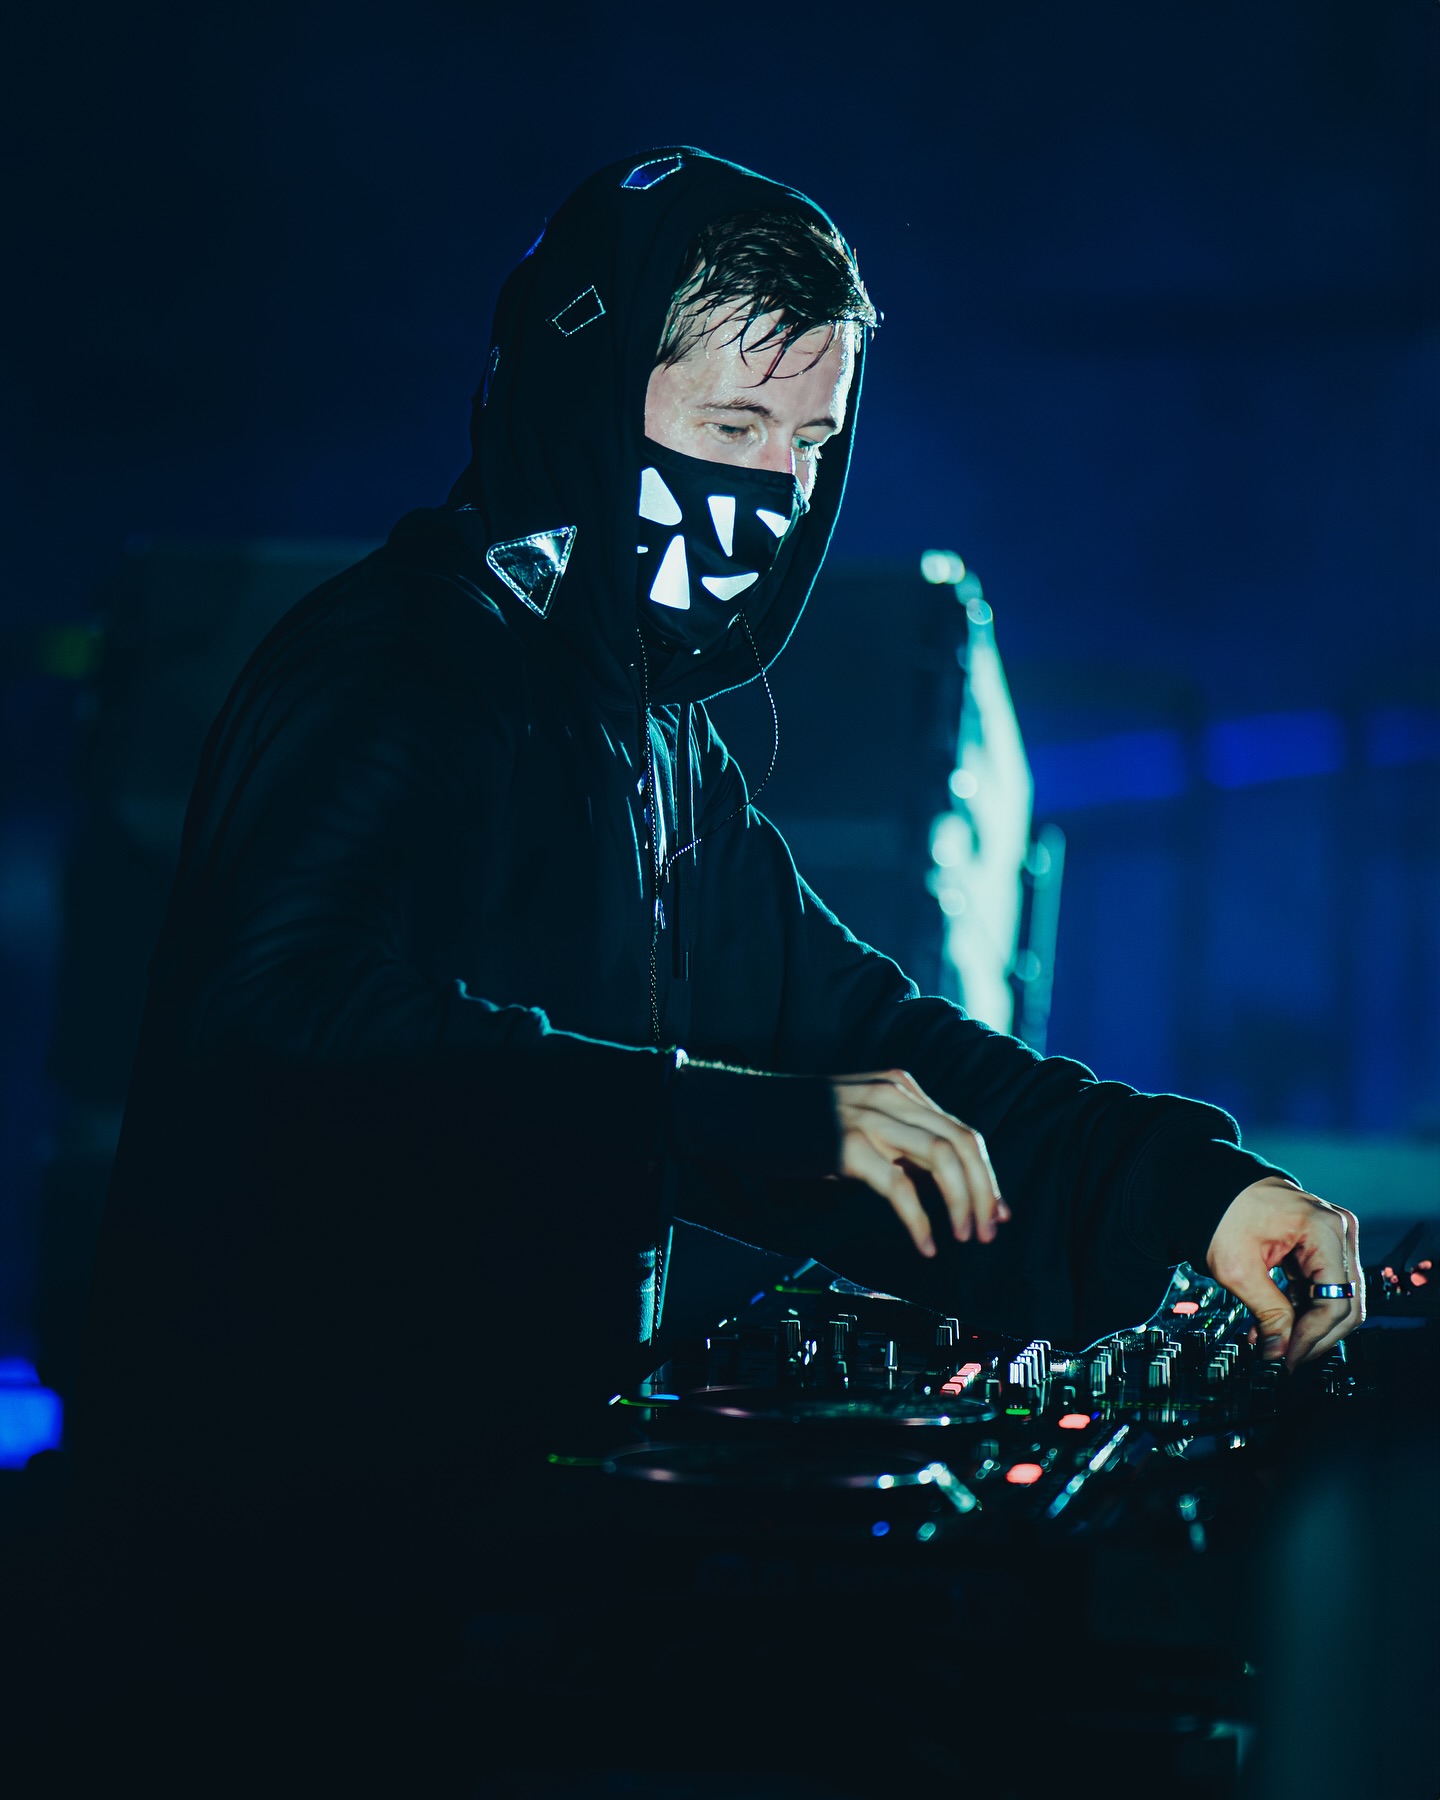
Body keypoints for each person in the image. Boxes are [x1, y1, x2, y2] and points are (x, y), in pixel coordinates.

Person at [74, 147, 1362, 1522]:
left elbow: (857, 1050)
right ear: (583, 394)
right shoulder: (395, 665)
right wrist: (720, 1114)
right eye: (735, 425)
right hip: (276, 1544)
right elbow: (280, 1023)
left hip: (499, 1524)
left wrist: (1196, 1194)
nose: (777, 490)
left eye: (810, 444)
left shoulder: (658, 743)